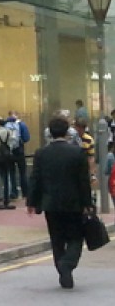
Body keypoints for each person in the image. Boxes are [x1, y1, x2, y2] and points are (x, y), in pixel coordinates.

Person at [27, 115, 93, 290]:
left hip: (50, 203)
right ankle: (67, 264)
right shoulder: (77, 152)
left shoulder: (41, 153)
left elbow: (35, 179)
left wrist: (32, 202)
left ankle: (62, 268)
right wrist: (88, 203)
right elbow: (83, 181)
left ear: (50, 132)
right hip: (74, 202)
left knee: (56, 238)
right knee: (75, 237)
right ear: (67, 131)